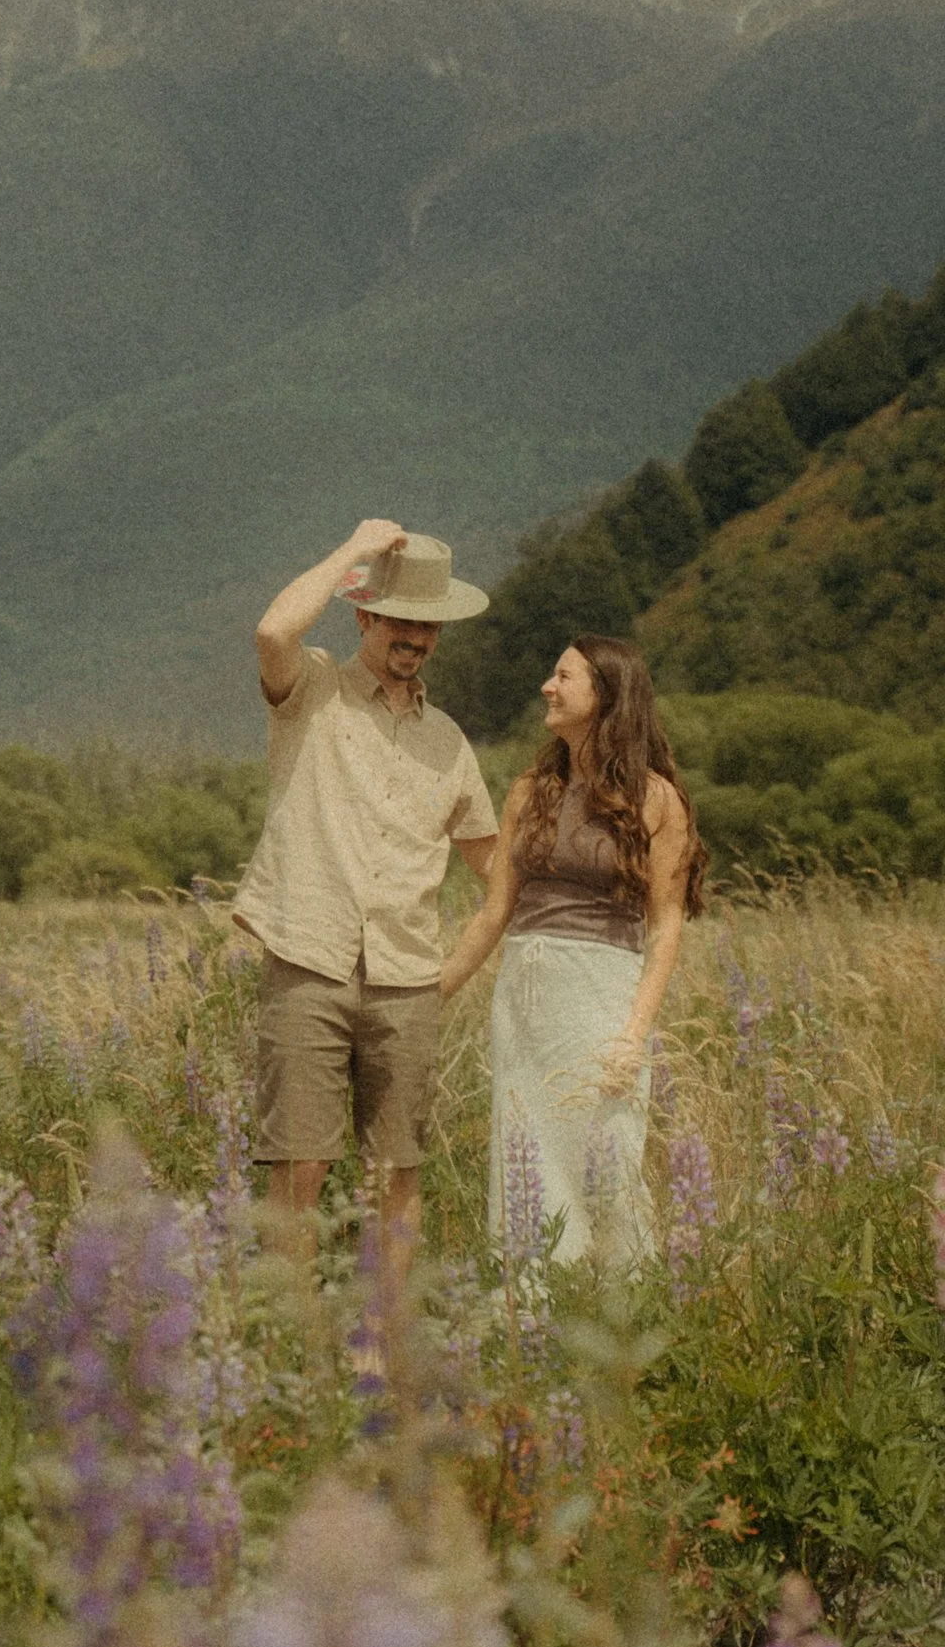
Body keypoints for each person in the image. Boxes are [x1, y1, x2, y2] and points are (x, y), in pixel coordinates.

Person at [231, 519, 499, 1250]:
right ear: (365, 615)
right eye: (402, 621)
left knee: (397, 1176)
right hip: (308, 961)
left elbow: (496, 875)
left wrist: (447, 977)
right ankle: (289, 1345)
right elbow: (270, 632)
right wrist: (353, 549)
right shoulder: (312, 688)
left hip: (407, 980)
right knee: (299, 1166)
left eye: (430, 626)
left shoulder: (448, 741)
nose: (416, 638)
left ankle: (386, 1343)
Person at [437, 634, 706, 1268]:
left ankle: (624, 1328)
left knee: (607, 1163)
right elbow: (494, 913)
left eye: (563, 677)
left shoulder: (657, 799)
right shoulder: (531, 790)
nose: (546, 688)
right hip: (524, 998)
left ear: (605, 695)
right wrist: (430, 994)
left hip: (601, 995)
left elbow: (666, 926)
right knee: (524, 1157)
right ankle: (532, 1318)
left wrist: (633, 1035)